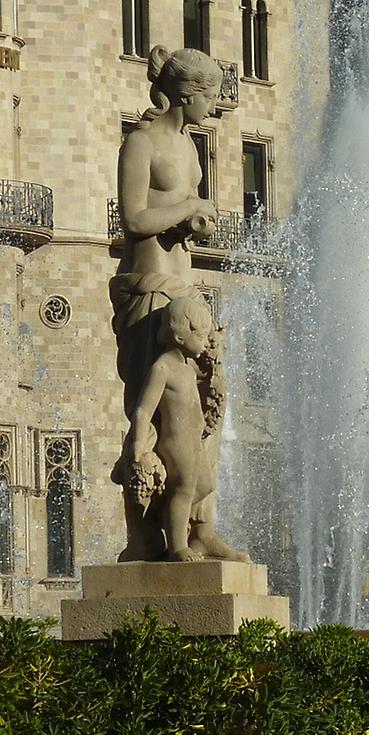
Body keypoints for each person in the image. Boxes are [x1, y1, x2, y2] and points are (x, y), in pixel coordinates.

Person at [109, 45, 242, 562]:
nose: (213, 106)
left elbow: (168, 215)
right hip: (148, 288)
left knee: (205, 408)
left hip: (187, 290)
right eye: (210, 97)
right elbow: (134, 219)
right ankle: (143, 537)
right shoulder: (141, 143)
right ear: (187, 94)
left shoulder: (190, 147)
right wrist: (186, 206)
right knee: (156, 412)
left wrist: (191, 219)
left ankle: (199, 525)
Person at [130, 298, 249, 562]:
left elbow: (210, 374)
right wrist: (138, 445)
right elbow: (144, 410)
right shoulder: (162, 368)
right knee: (183, 488)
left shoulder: (187, 368)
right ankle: (177, 547)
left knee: (204, 485)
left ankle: (170, 515)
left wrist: (216, 343)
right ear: (181, 334)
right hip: (176, 442)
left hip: (193, 440)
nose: (205, 342)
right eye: (202, 336)